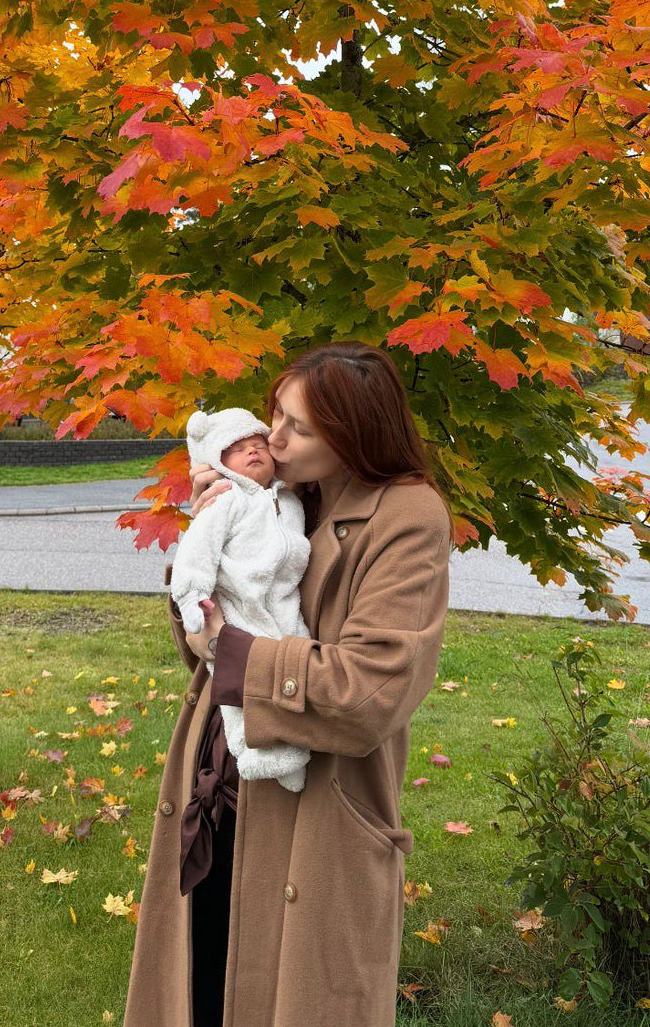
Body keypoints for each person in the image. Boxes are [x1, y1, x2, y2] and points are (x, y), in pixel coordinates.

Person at [122, 341, 452, 1027]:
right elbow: (212, 637)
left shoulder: (407, 517)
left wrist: (230, 648)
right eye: (275, 414)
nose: (271, 436)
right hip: (219, 782)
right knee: (202, 981)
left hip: (322, 811)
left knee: (294, 997)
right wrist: (205, 561)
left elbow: (370, 691)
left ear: (352, 432)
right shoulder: (274, 497)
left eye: (296, 426)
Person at [168, 407, 312, 797]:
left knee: (294, 664)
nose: (252, 451)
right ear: (217, 462)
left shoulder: (292, 501)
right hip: (238, 603)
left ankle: (292, 749)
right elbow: (196, 552)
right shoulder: (226, 500)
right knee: (236, 687)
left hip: (283, 603)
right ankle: (252, 752)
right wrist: (192, 595)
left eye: (258, 444)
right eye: (237, 448)